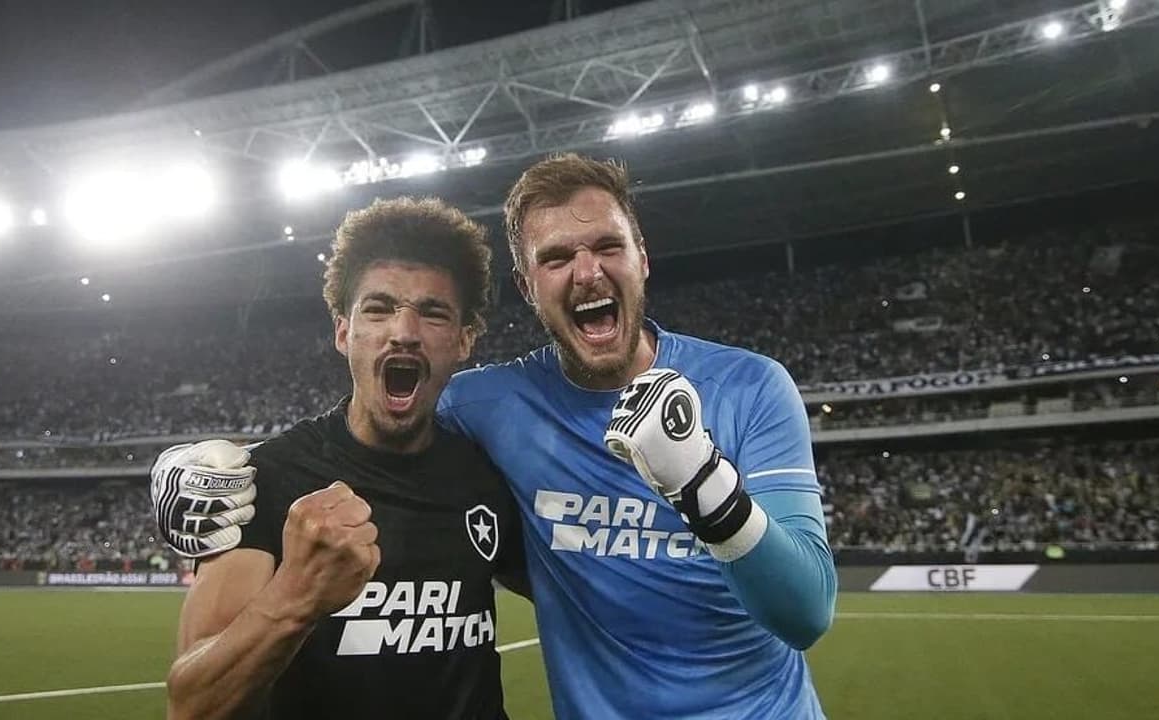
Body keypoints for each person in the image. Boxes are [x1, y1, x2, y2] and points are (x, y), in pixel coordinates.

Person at [154, 154, 837, 719]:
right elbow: (191, 700)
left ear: (642, 260)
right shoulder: (481, 408)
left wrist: (704, 483)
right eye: (558, 256)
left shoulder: (750, 388)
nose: (588, 271)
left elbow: (806, 612)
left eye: (607, 246)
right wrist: (209, 464)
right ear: (529, 286)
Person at [157, 197, 524, 720]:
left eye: (433, 312)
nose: (404, 332)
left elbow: (586, 592)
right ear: (344, 331)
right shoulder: (268, 481)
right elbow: (192, 705)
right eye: (378, 309)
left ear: (464, 339)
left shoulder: (487, 476)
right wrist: (295, 597)